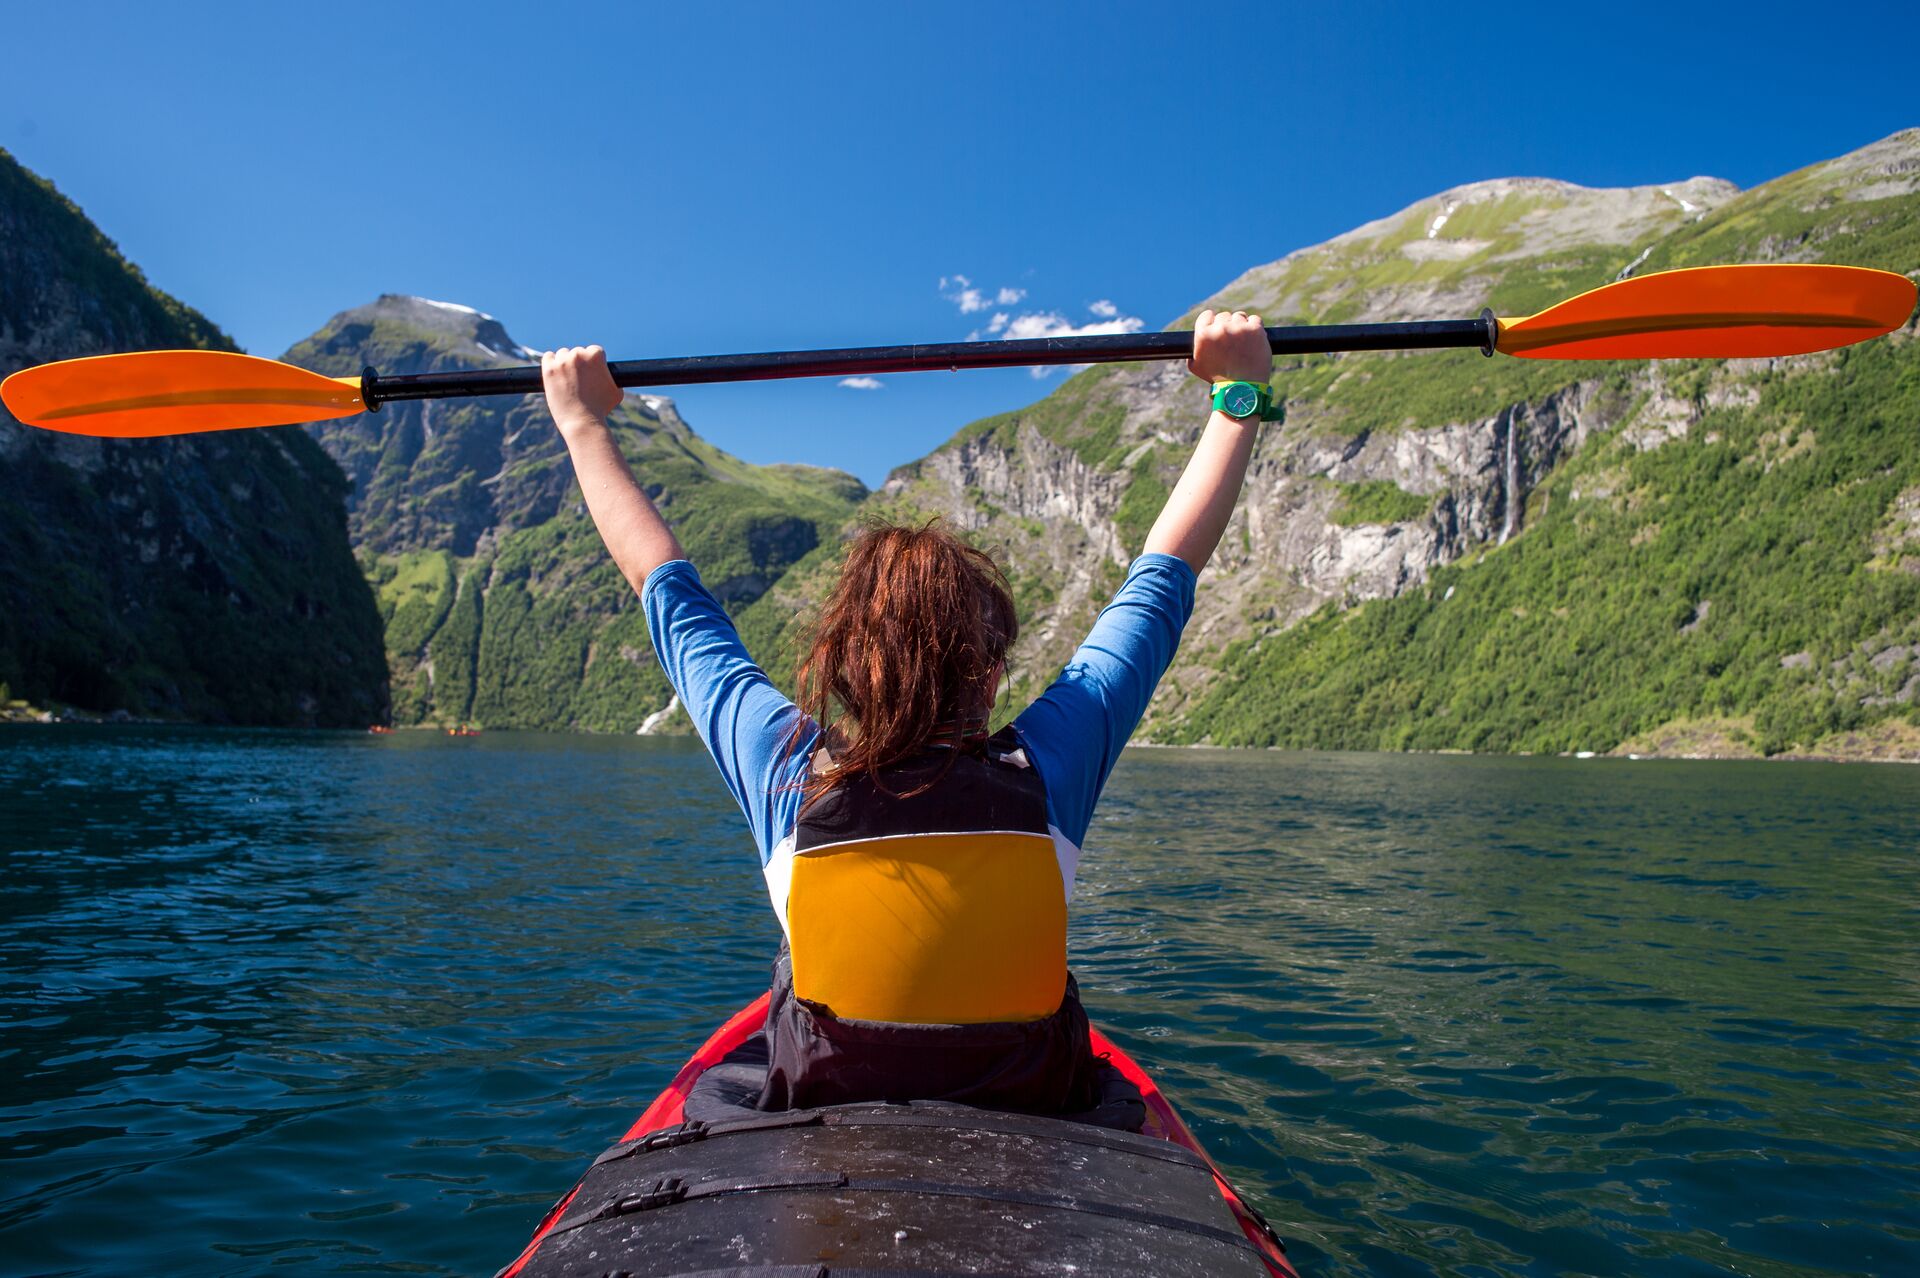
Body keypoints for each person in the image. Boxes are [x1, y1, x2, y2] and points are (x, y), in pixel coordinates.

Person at [541, 309, 1274, 1114]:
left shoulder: (786, 776)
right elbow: (1161, 581)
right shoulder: (1054, 768)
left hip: (825, 1117)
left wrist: (580, 424)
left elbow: (668, 593)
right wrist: (1236, 395)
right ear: (992, 673)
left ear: (844, 670)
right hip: (1034, 1112)